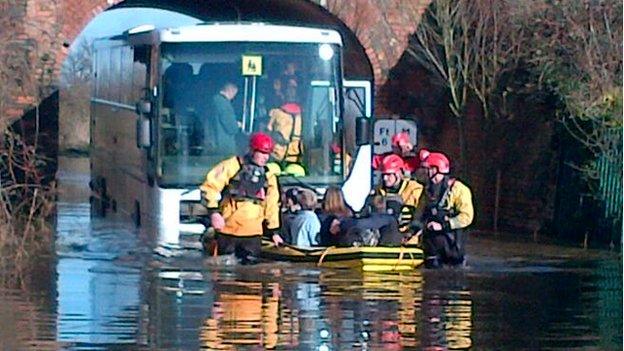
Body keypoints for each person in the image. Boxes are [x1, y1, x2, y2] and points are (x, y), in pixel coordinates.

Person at [199, 132, 281, 262]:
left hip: (253, 234)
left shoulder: (269, 175)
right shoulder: (231, 166)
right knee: (224, 276)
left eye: (268, 154)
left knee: (252, 275)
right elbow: (210, 187)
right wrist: (214, 213)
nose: (265, 157)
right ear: (252, 150)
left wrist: (274, 232)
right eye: (262, 153)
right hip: (228, 231)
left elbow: (272, 205)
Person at [415, 149, 474, 268]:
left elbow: (467, 217)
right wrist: (413, 230)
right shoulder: (427, 190)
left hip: (452, 245)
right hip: (432, 247)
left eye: (428, 169)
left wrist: (443, 225)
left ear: (435, 170)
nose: (425, 172)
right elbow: (420, 213)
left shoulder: (459, 190)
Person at [364, 154, 424, 242]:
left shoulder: (414, 189)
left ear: (398, 173)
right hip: (384, 239)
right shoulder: (377, 191)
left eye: (388, 175)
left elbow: (419, 215)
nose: (385, 178)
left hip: (409, 240)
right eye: (383, 174)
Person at [267, 83, 303, 163]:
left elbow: (267, 132)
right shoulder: (303, 115)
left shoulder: (275, 112)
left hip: (276, 156)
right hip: (296, 157)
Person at [206, 81, 240, 155]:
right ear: (230, 91)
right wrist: (237, 125)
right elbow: (231, 127)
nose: (233, 97)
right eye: (234, 94)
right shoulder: (224, 104)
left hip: (214, 142)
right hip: (224, 145)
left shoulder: (213, 101)